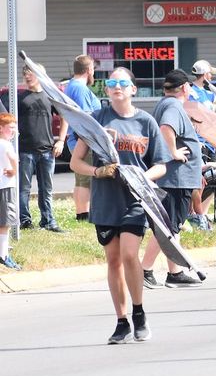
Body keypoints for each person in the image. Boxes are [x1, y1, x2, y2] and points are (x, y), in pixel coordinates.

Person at [70, 68, 169, 343]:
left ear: (133, 89)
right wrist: (96, 172)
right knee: (113, 260)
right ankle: (122, 320)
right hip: (105, 201)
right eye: (111, 83)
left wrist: (141, 177)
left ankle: (139, 313)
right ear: (107, 89)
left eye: (123, 83)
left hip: (135, 200)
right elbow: (76, 161)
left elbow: (161, 165)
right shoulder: (96, 120)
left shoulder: (146, 122)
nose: (117, 87)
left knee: (128, 254)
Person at [142, 70, 204, 288]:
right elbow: (166, 128)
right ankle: (145, 269)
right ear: (186, 88)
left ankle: (175, 272)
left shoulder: (164, 103)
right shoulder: (174, 106)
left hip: (175, 178)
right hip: (176, 179)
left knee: (171, 227)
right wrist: (174, 152)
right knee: (167, 228)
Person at [17, 65, 67, 232]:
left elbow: (64, 116)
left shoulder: (49, 96)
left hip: (47, 150)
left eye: (31, 73)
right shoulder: (19, 97)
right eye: (25, 73)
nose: (27, 76)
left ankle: (48, 221)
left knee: (46, 188)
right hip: (24, 150)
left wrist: (60, 141)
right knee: (23, 188)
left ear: (40, 75)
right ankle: (24, 221)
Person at [65, 54, 101, 221]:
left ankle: (82, 213)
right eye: (93, 68)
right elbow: (85, 117)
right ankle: (83, 215)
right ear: (88, 70)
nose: (93, 72)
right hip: (83, 140)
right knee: (85, 178)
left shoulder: (72, 86)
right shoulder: (79, 88)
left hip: (78, 139)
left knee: (81, 178)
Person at [0, 114, 20, 269]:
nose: (13, 131)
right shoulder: (6, 144)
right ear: (1, 128)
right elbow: (14, 159)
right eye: (10, 127)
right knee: (5, 223)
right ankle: (3, 255)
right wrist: (14, 170)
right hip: (5, 186)